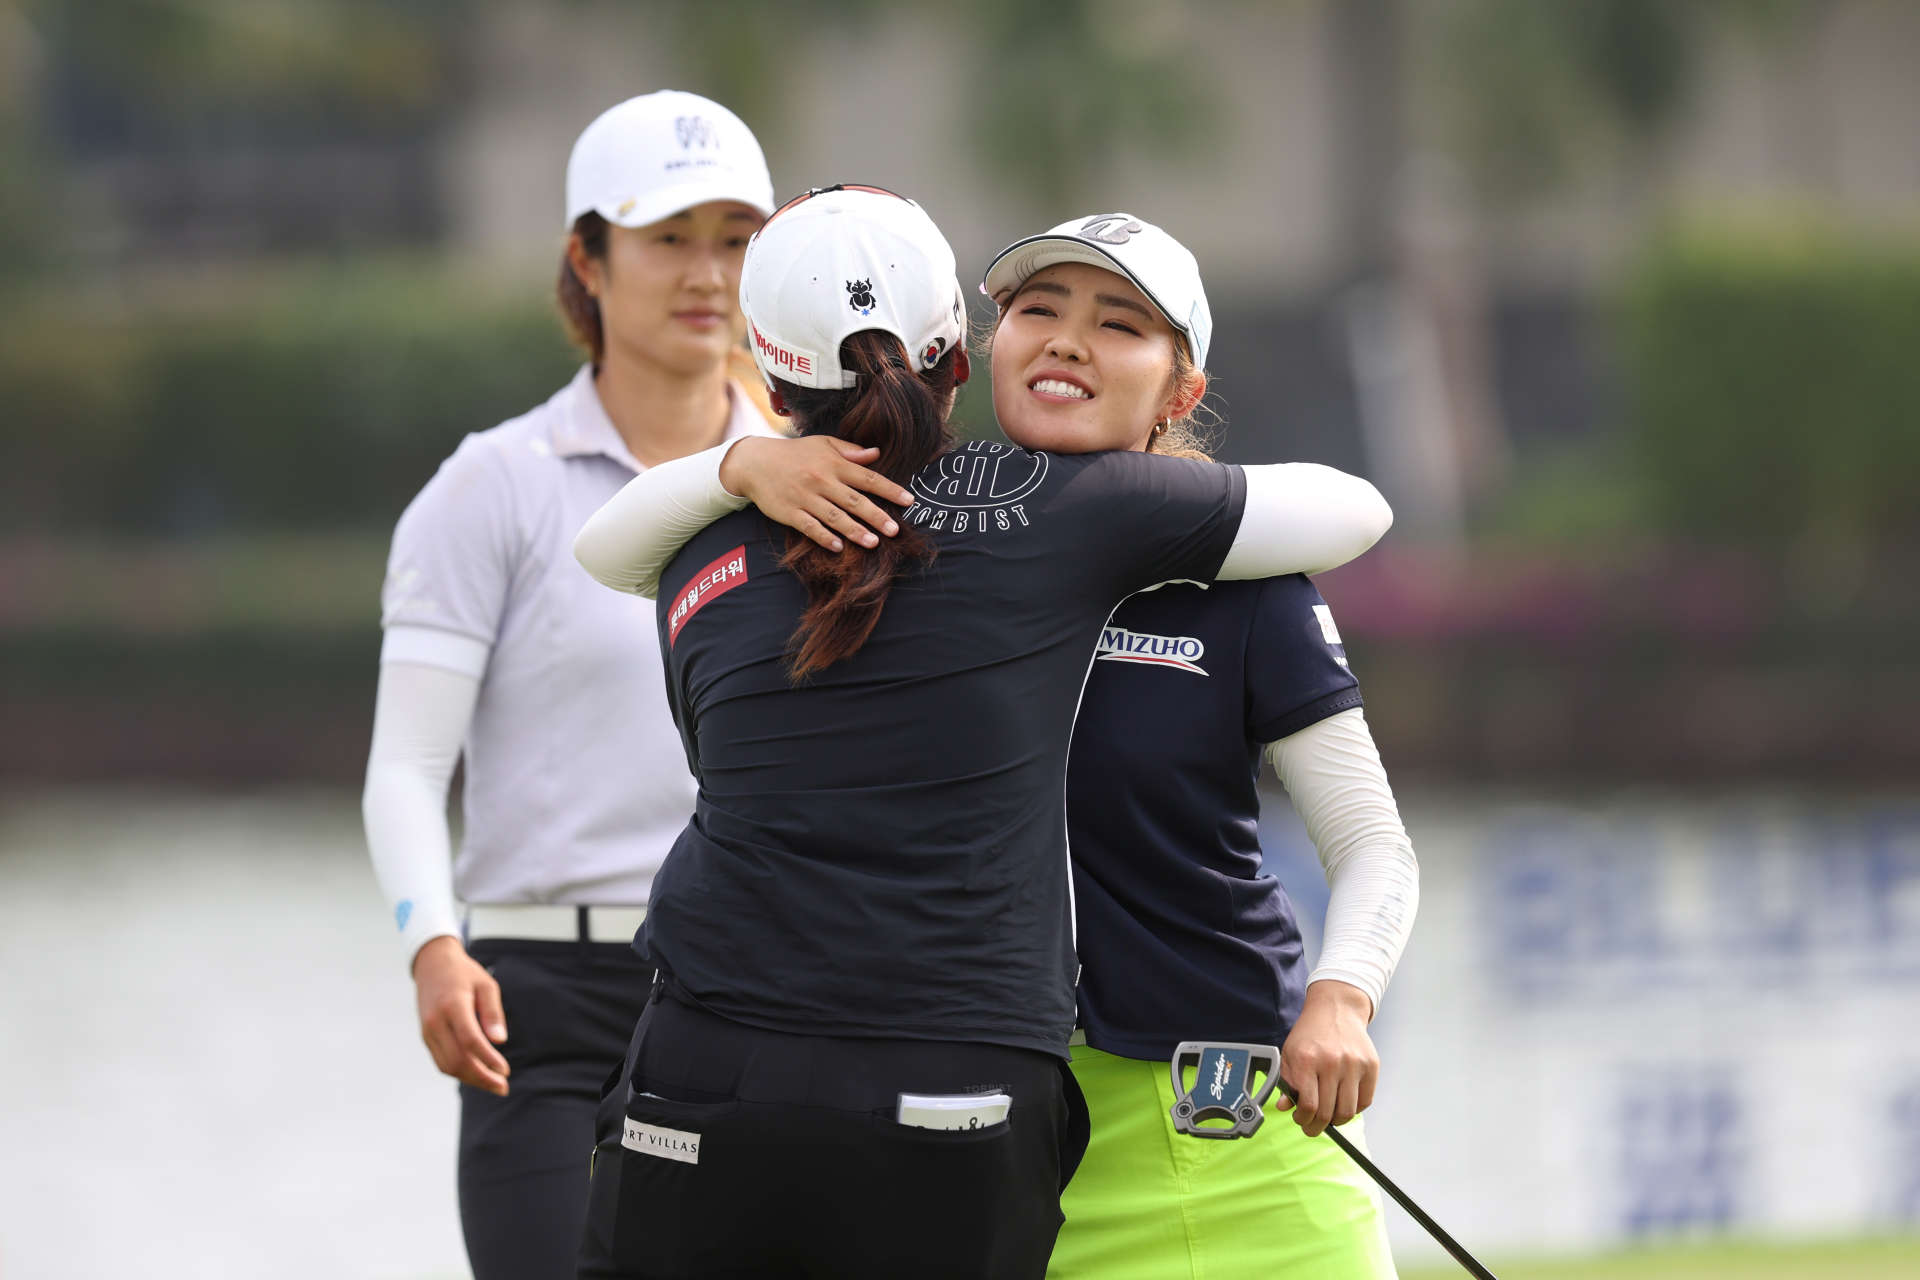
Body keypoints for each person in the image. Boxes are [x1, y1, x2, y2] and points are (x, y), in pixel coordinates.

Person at [568, 187, 1394, 1278]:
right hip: (1013, 1123)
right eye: (1040, 310)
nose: (1069, 341)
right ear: (974, 349)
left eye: (1119, 324)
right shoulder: (880, 535)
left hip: (1218, 1109)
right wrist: (743, 463)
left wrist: (1343, 995)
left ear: (1182, 386)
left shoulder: (1246, 584)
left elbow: (1370, 840)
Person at [358, 90, 780, 1280]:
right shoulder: (492, 485)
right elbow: (406, 768)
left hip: (749, 989)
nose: (708, 273)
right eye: (668, 237)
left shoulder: (805, 482)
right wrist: (432, 945)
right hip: (537, 1008)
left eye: (735, 239)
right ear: (587, 261)